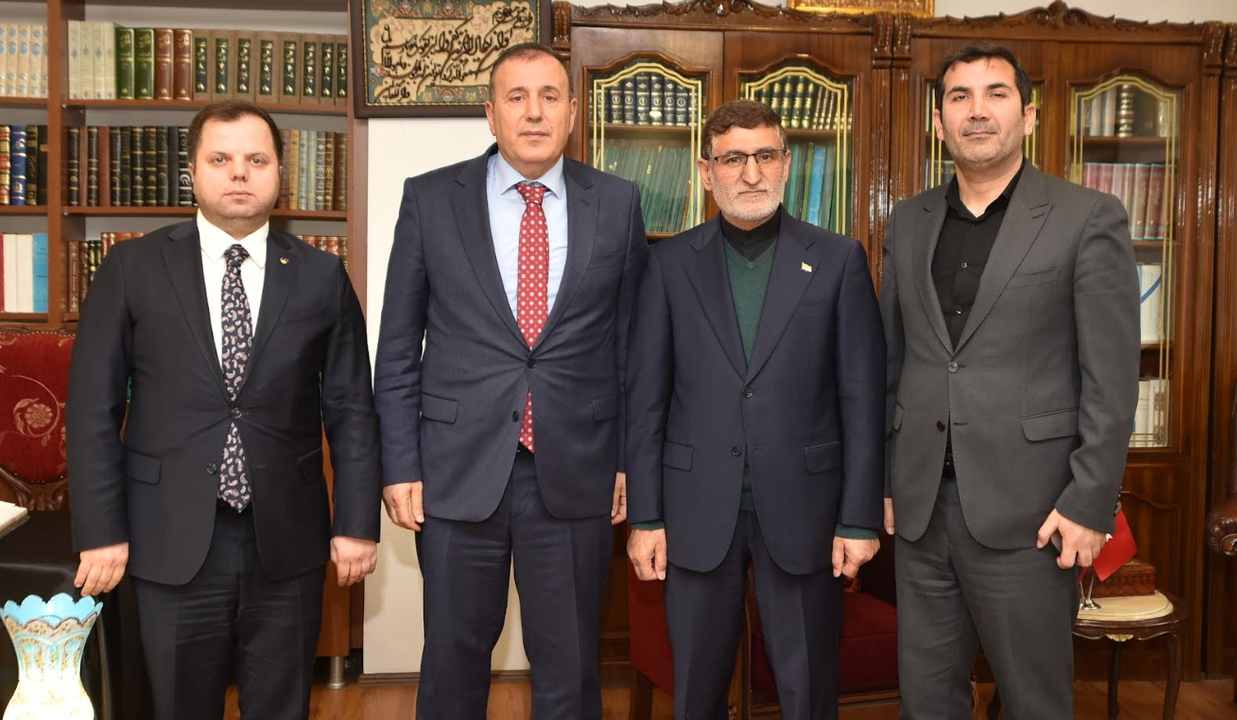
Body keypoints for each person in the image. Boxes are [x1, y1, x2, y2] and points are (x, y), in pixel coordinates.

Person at [67, 100, 381, 720]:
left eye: (256, 159)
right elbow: (91, 409)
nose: (240, 172)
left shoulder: (321, 275)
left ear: (280, 173)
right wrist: (101, 532)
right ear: (192, 172)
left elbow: (352, 410)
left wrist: (356, 523)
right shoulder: (131, 267)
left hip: (287, 540)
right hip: (167, 538)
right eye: (221, 159)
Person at [374, 42, 648, 719]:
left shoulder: (617, 203)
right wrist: (400, 463)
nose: (534, 112)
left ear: (573, 112)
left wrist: (626, 461)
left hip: (576, 471)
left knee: (570, 669)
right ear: (490, 113)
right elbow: (399, 348)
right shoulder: (430, 199)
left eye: (550, 97)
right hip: (455, 472)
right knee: (452, 665)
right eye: (517, 97)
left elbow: (632, 349)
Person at [881, 42, 1140, 719]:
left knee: (1035, 704)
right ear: (938, 121)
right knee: (925, 703)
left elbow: (1112, 379)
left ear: (1029, 115)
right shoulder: (908, 221)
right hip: (921, 512)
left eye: (996, 94)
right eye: (959, 97)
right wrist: (883, 479)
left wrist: (1090, 503)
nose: (977, 111)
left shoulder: (1087, 217)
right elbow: (892, 362)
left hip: (1035, 515)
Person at [626, 99, 886, 720]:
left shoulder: (838, 259)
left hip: (806, 513)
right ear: (705, 171)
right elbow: (645, 400)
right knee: (695, 693)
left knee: (807, 694)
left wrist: (858, 520)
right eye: (733, 159)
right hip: (694, 513)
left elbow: (863, 399)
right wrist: (646, 515)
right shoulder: (667, 264)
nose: (751, 174)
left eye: (765, 156)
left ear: (786, 164)